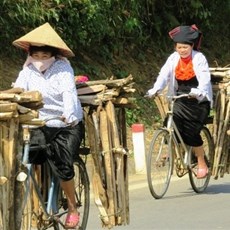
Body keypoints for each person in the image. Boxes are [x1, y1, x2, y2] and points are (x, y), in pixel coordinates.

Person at [13, 22, 83, 228]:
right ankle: (38, 201)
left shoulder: (63, 68)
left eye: (45, 56)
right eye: (37, 56)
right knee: (27, 157)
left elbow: (68, 93)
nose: (41, 61)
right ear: (31, 54)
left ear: (53, 55)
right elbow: (18, 91)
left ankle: (72, 207)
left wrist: (68, 114)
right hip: (39, 123)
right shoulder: (27, 71)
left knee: (63, 163)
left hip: (65, 124)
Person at [146, 24, 213, 179]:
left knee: (191, 131)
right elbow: (163, 75)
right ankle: (171, 152)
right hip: (179, 97)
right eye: (179, 47)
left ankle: (201, 161)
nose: (182, 50)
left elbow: (204, 80)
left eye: (185, 47)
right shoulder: (173, 58)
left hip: (198, 100)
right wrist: (155, 89)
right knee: (171, 121)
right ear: (175, 47)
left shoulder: (199, 58)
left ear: (191, 46)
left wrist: (197, 92)